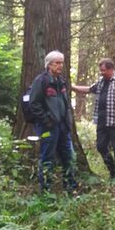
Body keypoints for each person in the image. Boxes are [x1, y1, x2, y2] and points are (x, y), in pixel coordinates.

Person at [73, 58, 115, 182]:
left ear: (111, 69)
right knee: (100, 146)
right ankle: (112, 171)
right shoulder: (101, 81)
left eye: (104, 70)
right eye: (100, 70)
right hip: (101, 121)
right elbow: (89, 89)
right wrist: (72, 87)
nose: (101, 73)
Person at [29, 50, 76, 193]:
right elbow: (34, 104)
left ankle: (70, 188)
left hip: (63, 126)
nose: (60, 65)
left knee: (68, 157)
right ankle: (46, 191)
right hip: (48, 127)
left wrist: (67, 122)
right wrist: (47, 121)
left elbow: (65, 103)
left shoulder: (61, 81)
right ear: (49, 65)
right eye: (57, 63)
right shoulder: (41, 81)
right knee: (47, 158)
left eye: (62, 62)